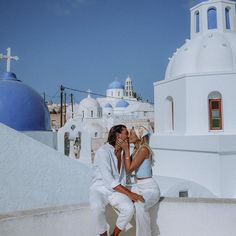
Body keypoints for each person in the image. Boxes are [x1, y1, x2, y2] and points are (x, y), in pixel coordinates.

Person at [89, 124, 145, 236]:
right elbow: (109, 181)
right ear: (118, 135)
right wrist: (130, 194)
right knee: (96, 206)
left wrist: (127, 150)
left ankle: (114, 235)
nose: (128, 136)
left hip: (116, 191)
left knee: (129, 209)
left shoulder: (124, 153)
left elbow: (127, 175)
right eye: (126, 133)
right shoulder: (103, 152)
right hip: (100, 188)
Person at [117, 125, 160, 236]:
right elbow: (127, 169)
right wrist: (123, 150)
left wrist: (126, 150)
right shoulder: (136, 150)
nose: (129, 136)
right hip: (138, 186)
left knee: (140, 205)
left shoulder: (144, 149)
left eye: (132, 134)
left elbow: (130, 168)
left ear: (139, 136)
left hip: (150, 188)